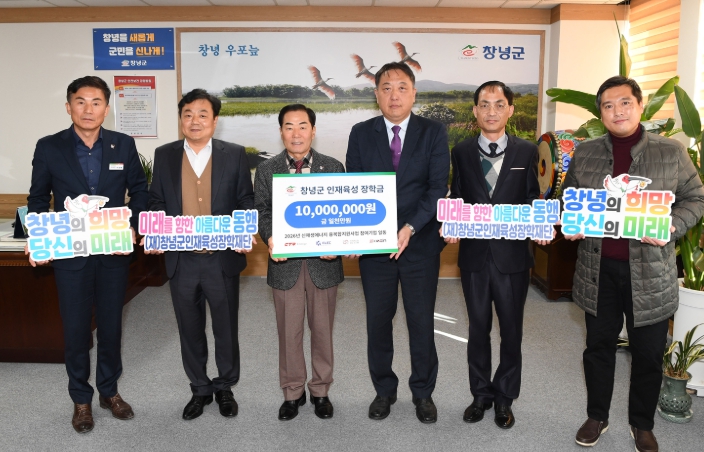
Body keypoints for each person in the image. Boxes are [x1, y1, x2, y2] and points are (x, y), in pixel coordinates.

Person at [561, 76, 704, 452]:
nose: (617, 111)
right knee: (598, 347)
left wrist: (672, 225)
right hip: (598, 270)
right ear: (601, 113)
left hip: (650, 273)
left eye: (625, 102)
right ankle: (597, 416)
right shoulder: (586, 152)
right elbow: (568, 198)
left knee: (648, 353)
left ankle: (642, 424)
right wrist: (571, 220)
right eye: (608, 105)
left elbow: (696, 198)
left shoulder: (670, 151)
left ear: (640, 105)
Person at [26, 75, 148, 433]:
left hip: (113, 250)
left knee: (111, 325)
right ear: (69, 107)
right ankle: (81, 399)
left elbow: (140, 190)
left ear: (106, 109)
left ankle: (109, 391)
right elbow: (38, 198)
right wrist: (37, 237)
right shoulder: (49, 147)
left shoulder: (123, 144)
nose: (88, 109)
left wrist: (134, 226)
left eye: (96, 102)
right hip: (71, 254)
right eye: (80, 102)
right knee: (76, 328)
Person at [345, 62, 450, 424]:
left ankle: (423, 392)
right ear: (376, 94)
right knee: (378, 321)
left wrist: (410, 227)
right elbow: (355, 188)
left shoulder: (433, 132)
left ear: (414, 93)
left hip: (419, 243)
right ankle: (384, 390)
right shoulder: (361, 133)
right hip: (375, 247)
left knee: (421, 321)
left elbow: (437, 188)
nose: (394, 95)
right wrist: (358, 233)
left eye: (402, 87)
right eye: (386, 88)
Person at [146, 88, 254, 420]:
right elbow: (156, 201)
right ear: (181, 119)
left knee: (226, 328)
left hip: (221, 258)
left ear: (215, 120)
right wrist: (157, 230)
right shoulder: (164, 155)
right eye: (188, 114)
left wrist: (243, 230)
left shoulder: (234, 154)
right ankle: (199, 388)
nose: (195, 121)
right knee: (189, 328)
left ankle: (225, 387)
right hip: (183, 259)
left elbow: (245, 200)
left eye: (203, 114)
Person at [444, 81, 541, 430]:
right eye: (484, 104)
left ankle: (504, 397)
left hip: (512, 257)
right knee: (478, 328)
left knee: (511, 331)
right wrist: (452, 222)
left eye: (499, 104)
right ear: (475, 111)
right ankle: (480, 394)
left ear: (510, 110)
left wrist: (540, 224)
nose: (491, 111)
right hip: (474, 256)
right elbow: (457, 196)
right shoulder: (461, 151)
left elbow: (532, 197)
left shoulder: (527, 151)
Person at [254, 104, 345, 421]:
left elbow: (342, 212)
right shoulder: (267, 170)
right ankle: (293, 392)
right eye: (289, 126)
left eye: (303, 126)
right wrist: (270, 238)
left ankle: (321, 390)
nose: (296, 133)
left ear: (313, 130)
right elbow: (262, 211)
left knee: (322, 331)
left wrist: (337, 243)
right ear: (281, 131)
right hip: (285, 264)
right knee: (288, 332)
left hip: (324, 264)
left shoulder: (333, 167)